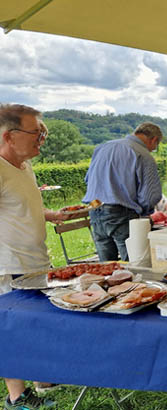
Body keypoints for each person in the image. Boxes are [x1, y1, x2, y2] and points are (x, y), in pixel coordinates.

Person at [0, 104, 69, 409]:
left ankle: (42, 378)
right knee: (11, 332)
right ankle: (17, 398)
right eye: (36, 132)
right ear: (9, 136)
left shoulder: (23, 166)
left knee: (36, 324)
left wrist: (49, 214)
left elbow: (18, 207)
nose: (42, 138)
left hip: (34, 262)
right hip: (8, 266)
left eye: (42, 131)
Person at [83, 122, 163, 261]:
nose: (152, 150)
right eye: (155, 147)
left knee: (107, 269)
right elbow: (150, 196)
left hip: (95, 209)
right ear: (154, 140)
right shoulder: (143, 154)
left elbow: (88, 179)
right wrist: (144, 213)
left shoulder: (102, 147)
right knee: (133, 265)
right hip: (121, 213)